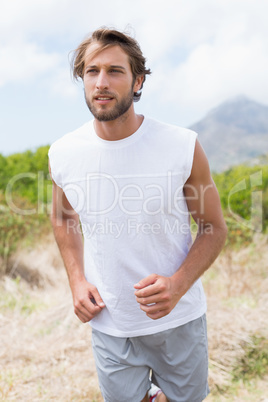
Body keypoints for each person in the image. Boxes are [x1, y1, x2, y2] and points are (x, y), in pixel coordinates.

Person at [48, 27, 227, 402]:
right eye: (92, 71)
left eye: (115, 71)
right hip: (111, 323)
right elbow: (64, 218)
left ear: (138, 80)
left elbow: (213, 227)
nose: (101, 82)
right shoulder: (64, 152)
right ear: (82, 80)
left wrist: (177, 285)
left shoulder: (181, 145)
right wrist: (78, 281)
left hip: (178, 320)